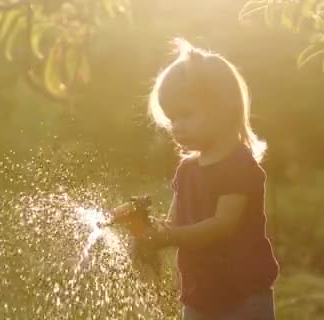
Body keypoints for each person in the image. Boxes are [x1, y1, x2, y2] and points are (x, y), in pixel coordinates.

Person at [109, 38, 279, 319]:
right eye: (172, 118)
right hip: (200, 294)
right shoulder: (187, 170)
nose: (177, 127)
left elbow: (222, 225)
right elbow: (175, 224)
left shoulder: (238, 164)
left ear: (224, 108)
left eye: (185, 114)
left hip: (245, 296)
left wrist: (169, 236)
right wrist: (146, 228)